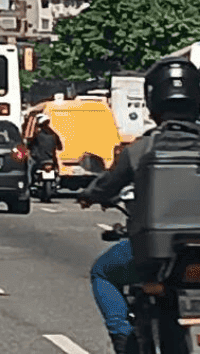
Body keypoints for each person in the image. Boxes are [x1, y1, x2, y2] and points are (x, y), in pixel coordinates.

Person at [78, 57, 200, 354]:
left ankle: (123, 340)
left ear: (153, 100)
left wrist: (90, 195)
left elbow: (106, 186)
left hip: (155, 258)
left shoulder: (141, 150)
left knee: (102, 272)